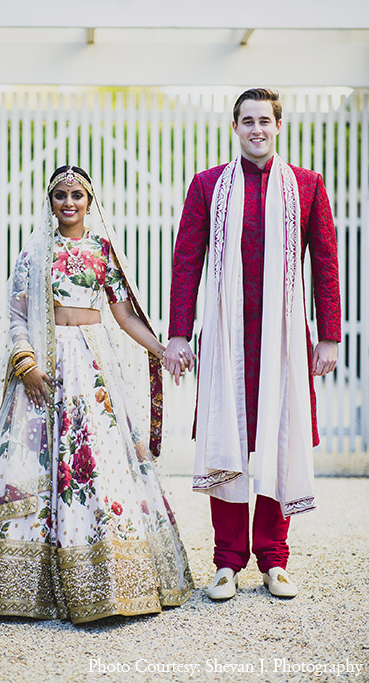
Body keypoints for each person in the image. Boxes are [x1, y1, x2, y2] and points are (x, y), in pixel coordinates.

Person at [0, 165, 193, 623]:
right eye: (60, 195)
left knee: (101, 459)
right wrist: (27, 366)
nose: (69, 203)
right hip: (45, 364)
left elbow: (123, 315)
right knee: (31, 460)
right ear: (50, 201)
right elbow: (16, 317)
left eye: (77, 194)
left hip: (93, 368)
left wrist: (162, 349)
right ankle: (17, 583)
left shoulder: (103, 251)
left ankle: (111, 577)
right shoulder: (35, 252)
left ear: (90, 200)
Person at [165, 88, 340, 601]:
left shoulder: (307, 187)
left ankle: (274, 560)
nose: (257, 128)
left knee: (277, 441)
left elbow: (326, 263)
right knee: (227, 441)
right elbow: (186, 262)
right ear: (235, 128)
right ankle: (226, 563)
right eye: (247, 121)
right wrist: (178, 333)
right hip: (226, 338)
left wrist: (327, 335)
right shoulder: (207, 186)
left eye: (265, 120)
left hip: (283, 340)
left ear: (279, 126)